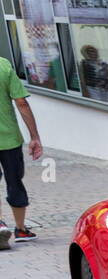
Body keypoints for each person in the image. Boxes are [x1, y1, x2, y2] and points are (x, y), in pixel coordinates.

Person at [0, 55, 42, 250]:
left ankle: (0, 224)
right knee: (14, 181)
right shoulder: (3, 65)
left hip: (9, 140)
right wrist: (34, 136)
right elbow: (21, 103)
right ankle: (20, 229)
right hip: (9, 139)